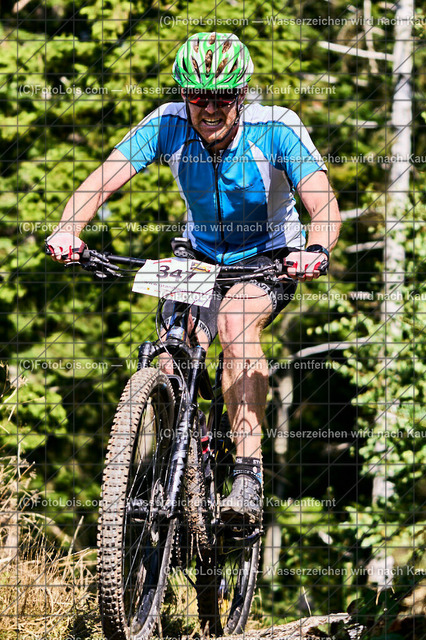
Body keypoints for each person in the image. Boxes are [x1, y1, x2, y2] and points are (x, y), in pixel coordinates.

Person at [46, 32, 341, 524]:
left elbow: (323, 204)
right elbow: (101, 180)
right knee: (170, 351)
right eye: (197, 97)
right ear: (185, 95)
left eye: (222, 98)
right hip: (200, 255)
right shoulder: (168, 123)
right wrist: (68, 228)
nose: (209, 109)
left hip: (268, 256)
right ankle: (170, 468)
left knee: (235, 323)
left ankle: (246, 477)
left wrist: (315, 250)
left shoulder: (277, 128)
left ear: (241, 95)